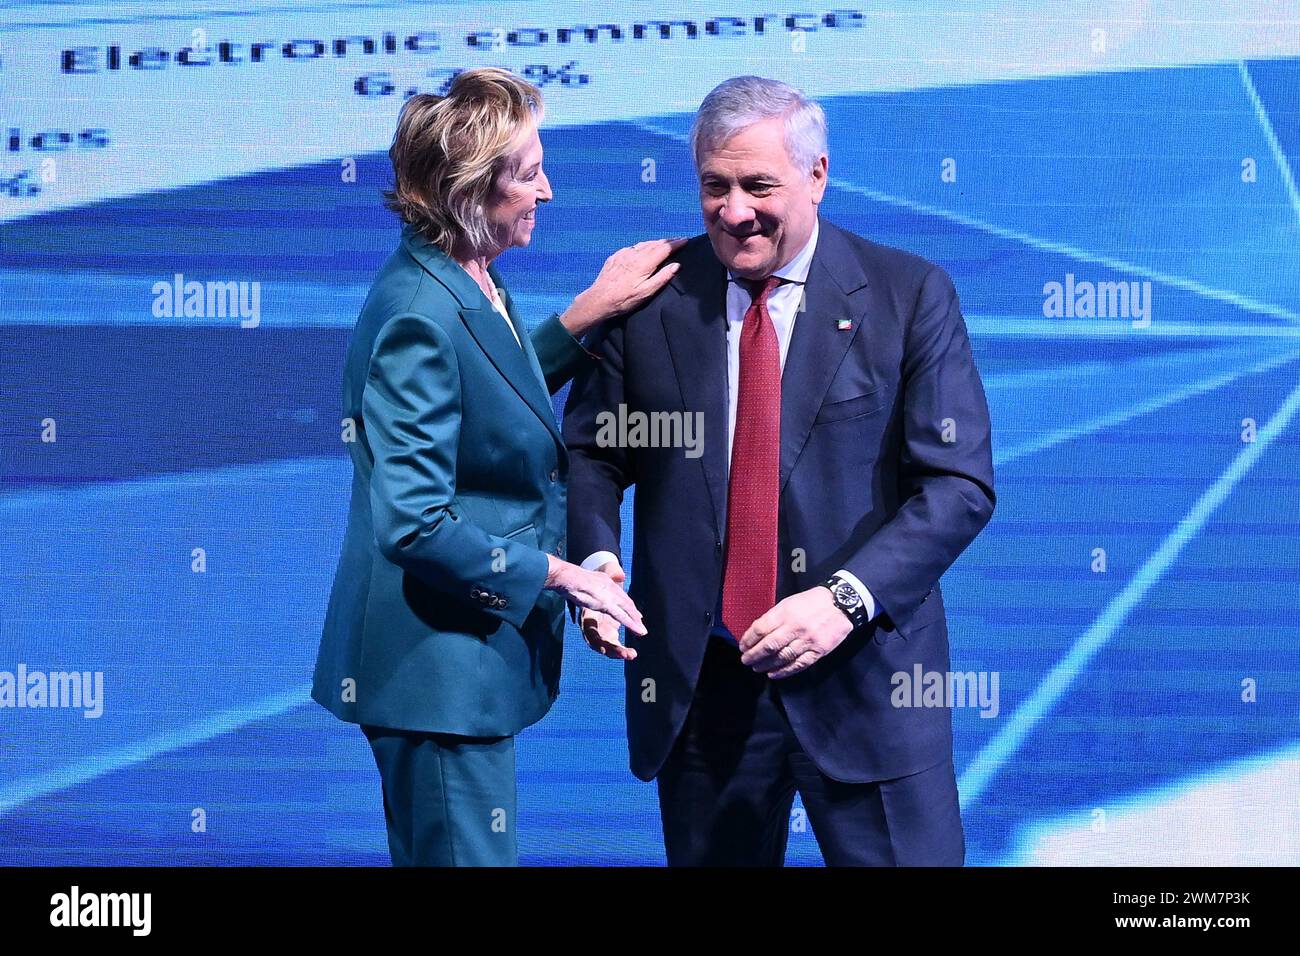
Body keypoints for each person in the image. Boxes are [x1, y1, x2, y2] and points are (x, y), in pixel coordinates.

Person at [564, 75, 996, 866]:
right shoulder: (654, 297)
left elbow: (957, 486)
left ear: (817, 176)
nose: (734, 212)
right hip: (704, 691)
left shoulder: (909, 296)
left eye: (758, 185)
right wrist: (596, 562)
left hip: (868, 681)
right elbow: (594, 449)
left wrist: (844, 601)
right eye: (714, 186)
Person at [312, 67, 682, 866]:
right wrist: (564, 575)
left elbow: (488, 393)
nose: (546, 192)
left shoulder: (463, 270)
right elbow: (413, 522)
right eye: (528, 174)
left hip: (457, 665)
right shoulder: (417, 315)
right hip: (434, 674)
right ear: (471, 193)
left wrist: (587, 311)